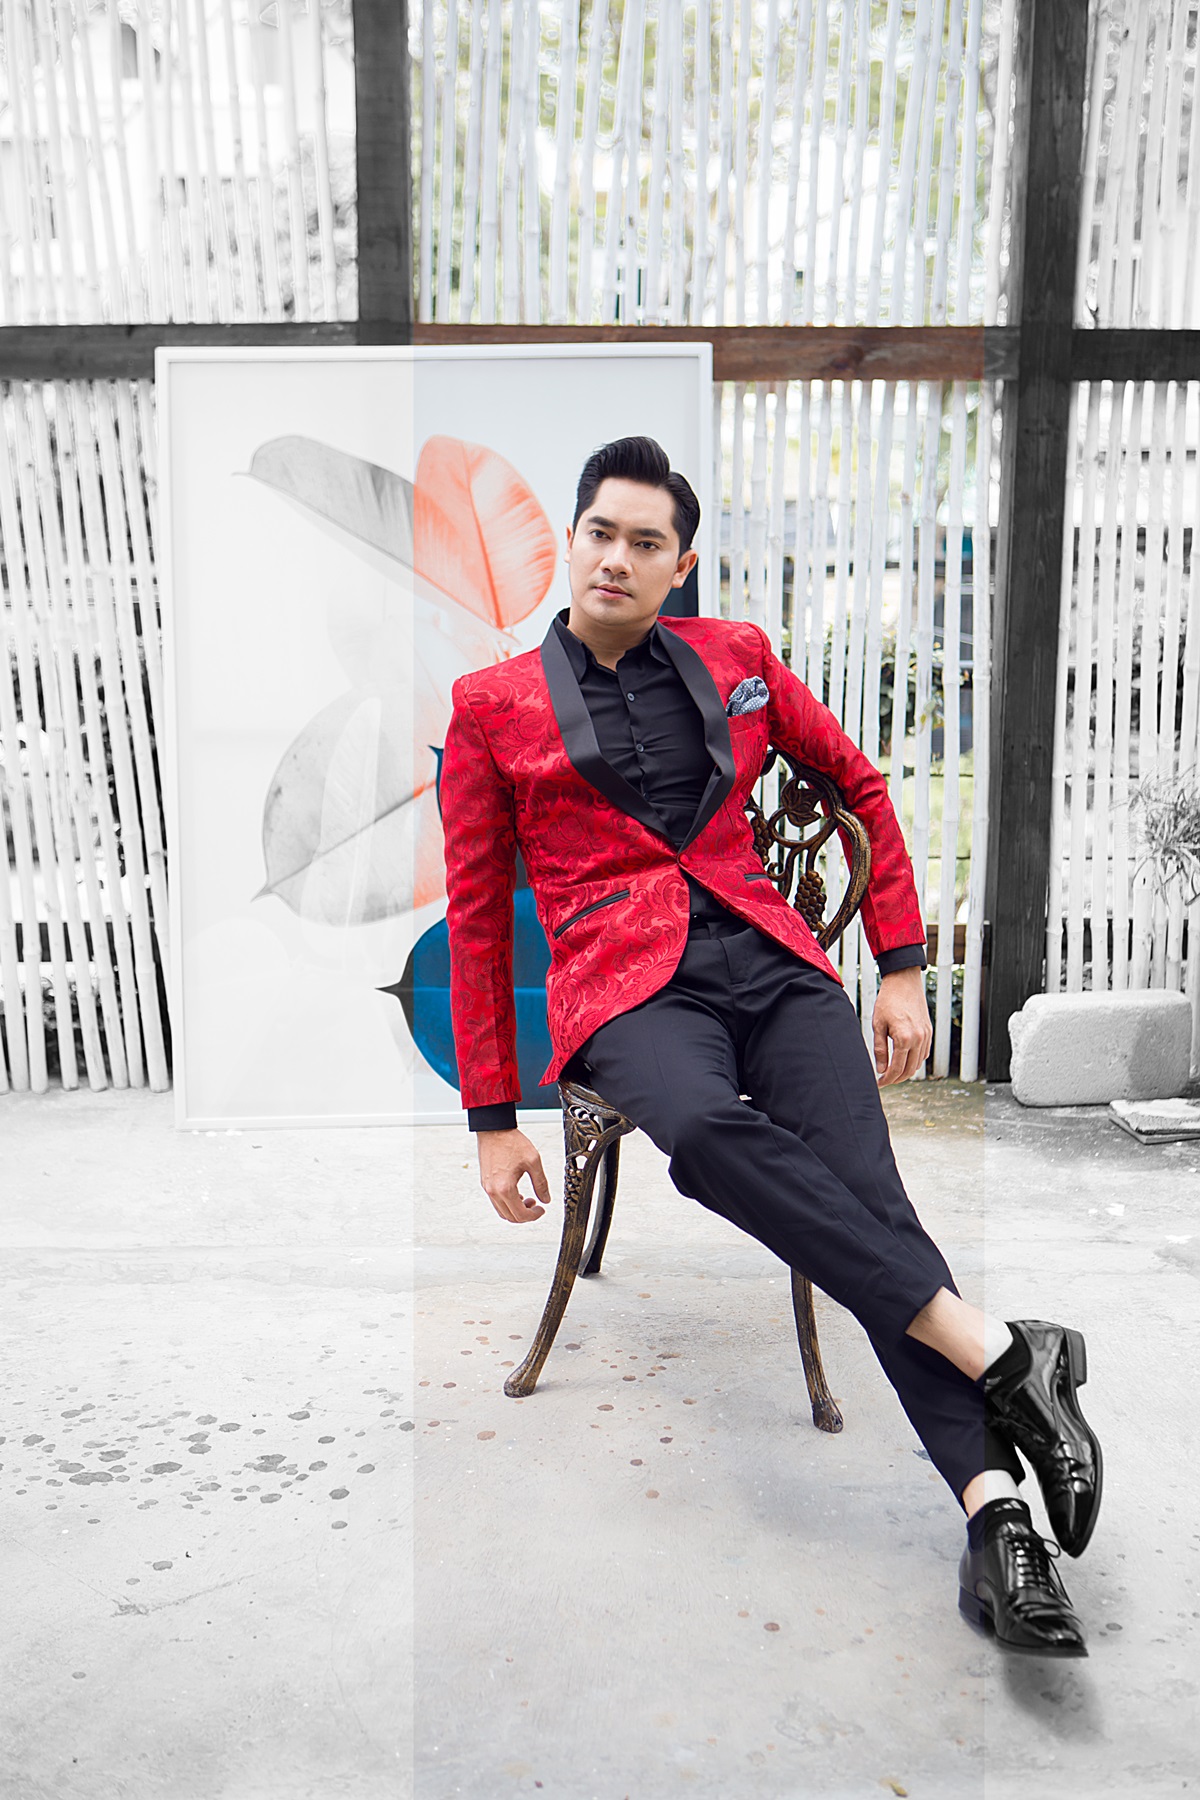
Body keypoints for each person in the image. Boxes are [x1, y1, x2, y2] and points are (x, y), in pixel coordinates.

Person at [439, 434, 1102, 1658]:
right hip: (627, 991)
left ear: (678, 565)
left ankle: (994, 1517)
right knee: (700, 1133)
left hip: (772, 964)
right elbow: (478, 920)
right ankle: (1008, 1352)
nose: (617, 557)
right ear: (573, 543)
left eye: (646, 542)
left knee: (868, 1203)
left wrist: (899, 965)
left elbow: (861, 785)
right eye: (601, 533)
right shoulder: (491, 708)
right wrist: (491, 1120)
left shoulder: (737, 657)